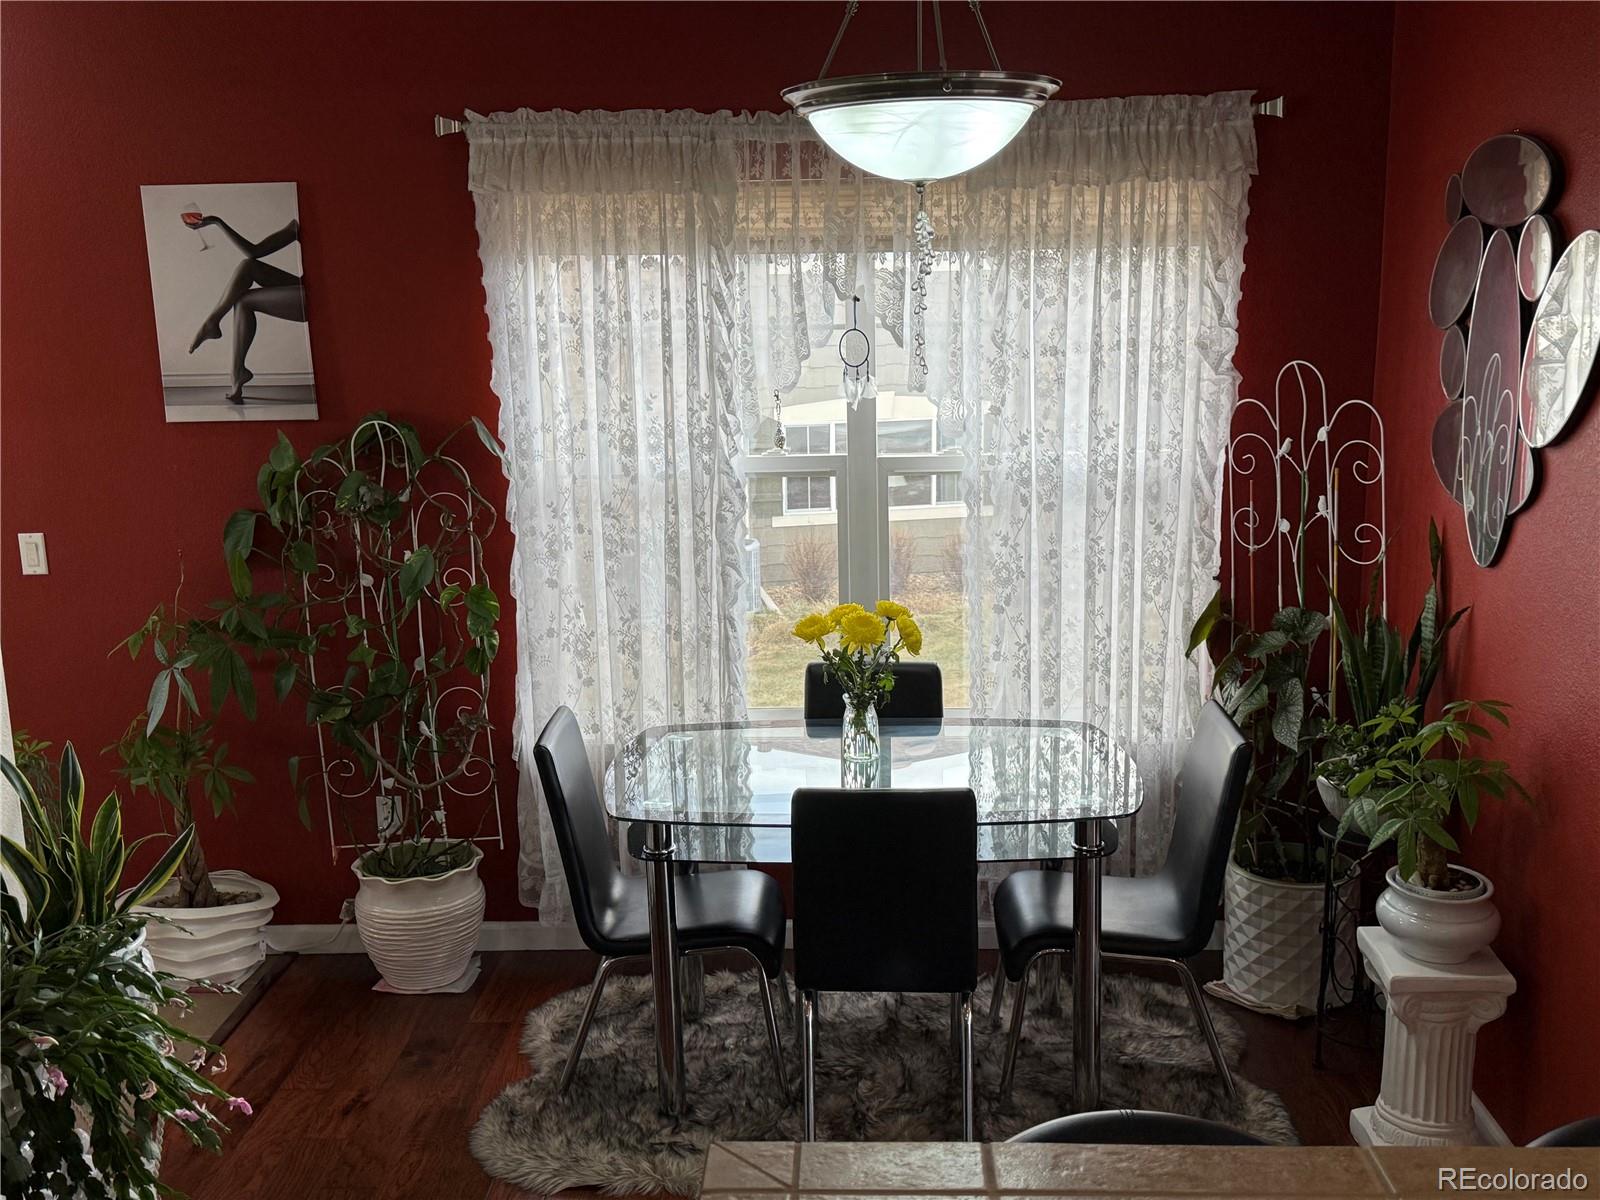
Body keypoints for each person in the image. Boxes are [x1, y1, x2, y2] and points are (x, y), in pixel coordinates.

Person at [187, 216, 306, 403]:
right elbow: (254, 252)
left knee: (243, 301)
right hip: (303, 287)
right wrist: (217, 222)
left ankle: (236, 371)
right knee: (248, 266)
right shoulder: (299, 222)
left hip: (324, 297)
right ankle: (213, 323)